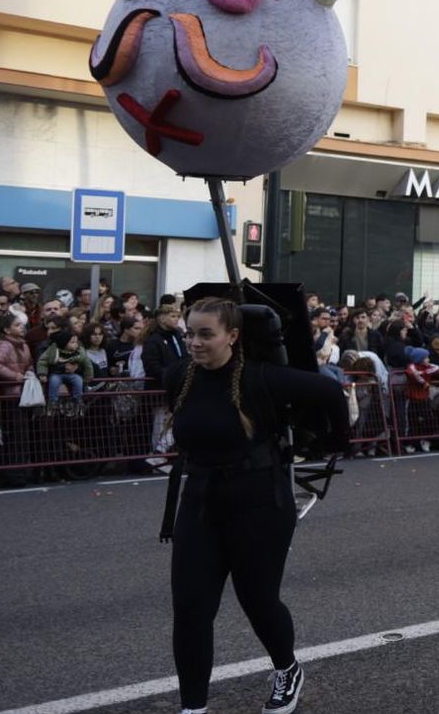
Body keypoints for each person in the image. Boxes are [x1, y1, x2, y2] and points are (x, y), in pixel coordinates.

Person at [161, 297, 346, 714]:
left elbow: (330, 391)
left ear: (233, 336)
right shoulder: (178, 376)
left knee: (258, 601)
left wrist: (337, 444)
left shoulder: (262, 378)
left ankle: (287, 669)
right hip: (200, 502)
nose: (194, 342)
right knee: (190, 608)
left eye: (206, 334)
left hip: (260, 502)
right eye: (189, 333)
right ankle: (193, 708)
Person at [37, 330, 93, 414]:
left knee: (78, 380)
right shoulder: (53, 350)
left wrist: (88, 376)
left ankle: (77, 400)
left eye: (76, 342)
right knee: (54, 381)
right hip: (57, 374)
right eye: (72, 342)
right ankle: (53, 402)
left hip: (72, 374)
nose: (76, 344)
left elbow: (87, 363)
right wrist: (42, 374)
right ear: (64, 343)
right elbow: (42, 361)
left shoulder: (79, 352)